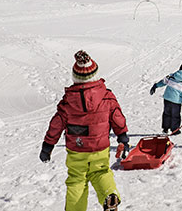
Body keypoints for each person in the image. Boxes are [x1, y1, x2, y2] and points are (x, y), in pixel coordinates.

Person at [39, 50, 128, 211]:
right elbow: (117, 118)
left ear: (75, 77)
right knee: (101, 172)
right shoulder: (107, 96)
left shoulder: (67, 102)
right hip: (100, 148)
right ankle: (110, 195)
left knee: (76, 181)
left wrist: (47, 146)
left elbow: (56, 124)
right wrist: (123, 138)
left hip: (77, 150)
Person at [150, 59, 182, 135]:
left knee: (167, 113)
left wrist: (155, 86)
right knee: (175, 116)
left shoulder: (172, 75)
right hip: (176, 102)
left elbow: (163, 82)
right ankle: (175, 130)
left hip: (167, 98)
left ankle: (165, 128)